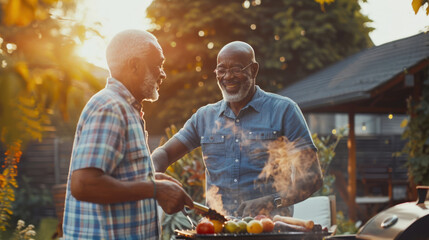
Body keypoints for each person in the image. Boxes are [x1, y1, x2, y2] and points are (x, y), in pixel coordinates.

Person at [152, 41, 322, 218]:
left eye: (236, 69)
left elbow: (313, 178)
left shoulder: (284, 110)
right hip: (219, 231)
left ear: (254, 70)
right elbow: (164, 154)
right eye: (221, 69)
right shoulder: (204, 117)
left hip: (271, 230)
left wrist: (270, 201)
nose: (227, 76)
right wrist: (151, 180)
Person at [62, 29, 193, 239]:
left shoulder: (126, 108)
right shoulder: (110, 107)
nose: (163, 73)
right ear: (135, 65)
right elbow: (84, 184)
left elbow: (113, 176)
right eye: (158, 64)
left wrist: (149, 178)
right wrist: (154, 190)